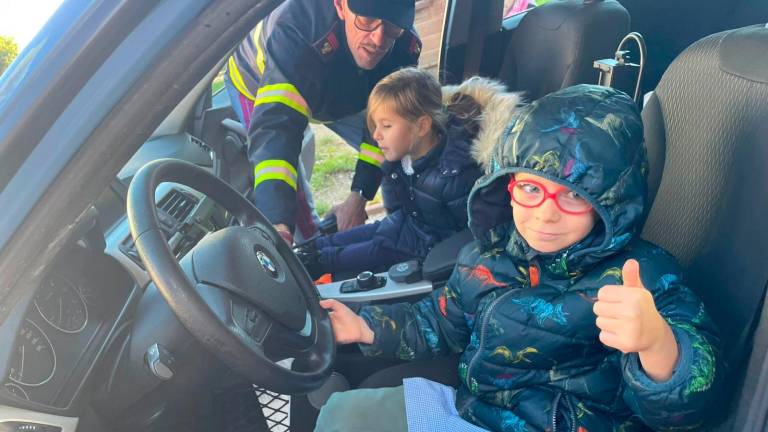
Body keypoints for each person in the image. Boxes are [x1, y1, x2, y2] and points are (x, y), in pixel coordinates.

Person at [315, 85, 723, 431]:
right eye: (530, 189)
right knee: (343, 415)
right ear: (505, 184)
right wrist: (365, 327)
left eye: (574, 195)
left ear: (610, 199)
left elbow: (691, 402)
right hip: (476, 411)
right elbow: (439, 322)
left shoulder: (641, 278)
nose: (546, 213)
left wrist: (657, 346)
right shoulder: (485, 257)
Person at [224, 0, 421, 243]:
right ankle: (310, 248)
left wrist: (358, 197)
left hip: (339, 85)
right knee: (287, 196)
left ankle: (405, 227)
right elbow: (277, 133)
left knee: (401, 142)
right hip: (258, 81)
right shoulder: (297, 31)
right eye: (366, 19)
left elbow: (388, 126)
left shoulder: (404, 44)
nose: (379, 39)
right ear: (340, 5)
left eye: (391, 25)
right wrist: (277, 224)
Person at [295, 69, 521, 278]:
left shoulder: (455, 174)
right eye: (375, 125)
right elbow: (396, 210)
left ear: (421, 127)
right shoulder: (399, 160)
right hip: (405, 227)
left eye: (386, 126)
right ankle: (307, 251)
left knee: (351, 254)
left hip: (430, 247)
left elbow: (473, 236)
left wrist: (403, 243)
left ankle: (311, 264)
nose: (376, 136)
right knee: (340, 240)